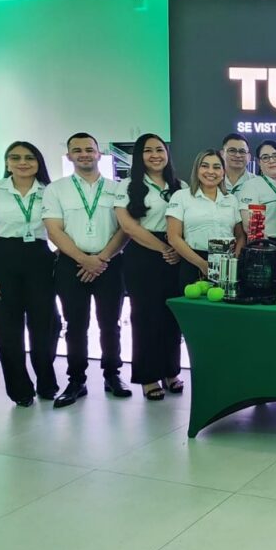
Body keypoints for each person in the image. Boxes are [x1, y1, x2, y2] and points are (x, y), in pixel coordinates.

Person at [42, 132, 130, 408]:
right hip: (72, 264)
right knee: (76, 325)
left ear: (99, 154)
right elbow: (54, 230)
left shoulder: (118, 188)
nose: (84, 154)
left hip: (110, 262)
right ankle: (76, 380)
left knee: (110, 323)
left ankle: (112, 375)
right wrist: (84, 259)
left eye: (89, 149)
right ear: (69, 155)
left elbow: (125, 228)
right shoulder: (56, 189)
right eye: (77, 150)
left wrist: (101, 259)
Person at [0, 142, 59, 406]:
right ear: (7, 163)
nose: (23, 162)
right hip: (1, 258)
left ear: (38, 162)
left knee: (47, 324)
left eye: (29, 157)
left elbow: (62, 227)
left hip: (39, 259)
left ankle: (46, 381)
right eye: (15, 157)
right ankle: (20, 390)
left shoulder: (50, 191)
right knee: (8, 329)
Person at [114, 134, 186, 401]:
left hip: (176, 253)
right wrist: (164, 248)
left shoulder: (180, 186)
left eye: (160, 149)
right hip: (143, 255)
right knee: (145, 317)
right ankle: (148, 376)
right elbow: (128, 226)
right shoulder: (127, 186)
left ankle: (171, 372)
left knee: (172, 317)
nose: (155, 155)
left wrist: (176, 249)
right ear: (139, 156)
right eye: (148, 151)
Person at [167, 149, 246, 286]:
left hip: (226, 264)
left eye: (216, 167)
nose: (211, 171)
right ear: (196, 170)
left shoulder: (231, 200)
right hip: (193, 263)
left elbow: (240, 236)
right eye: (205, 166)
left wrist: (234, 261)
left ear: (223, 172)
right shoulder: (181, 196)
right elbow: (173, 237)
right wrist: (202, 264)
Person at [239, 140, 276, 251]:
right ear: (259, 163)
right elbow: (249, 224)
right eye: (265, 157)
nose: (271, 160)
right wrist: (268, 246)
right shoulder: (251, 186)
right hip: (265, 244)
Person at [221, 133, 258, 201]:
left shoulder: (257, 183)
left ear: (249, 157)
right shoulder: (214, 181)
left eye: (242, 151)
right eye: (232, 151)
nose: (238, 155)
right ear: (222, 154)